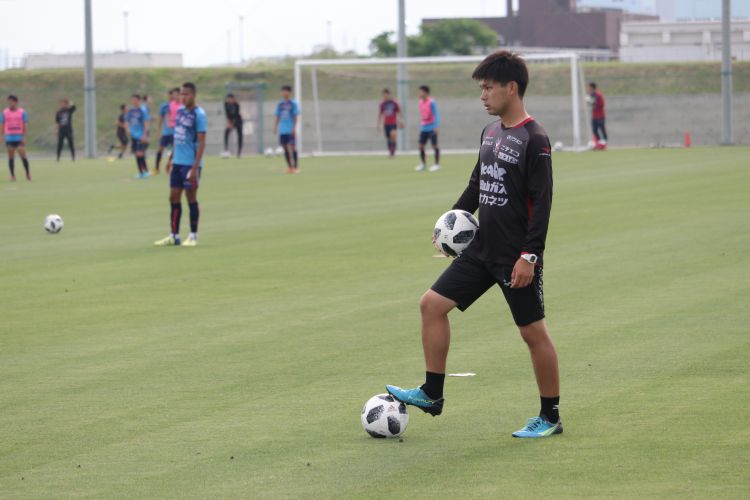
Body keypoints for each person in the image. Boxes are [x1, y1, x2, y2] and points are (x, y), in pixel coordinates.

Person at [386, 50, 561, 439]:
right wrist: (448, 222)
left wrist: (528, 256)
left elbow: (542, 204)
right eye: (481, 89)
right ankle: (432, 393)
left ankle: (550, 416)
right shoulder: (491, 133)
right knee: (432, 305)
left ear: (510, 88)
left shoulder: (535, 139)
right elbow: (476, 187)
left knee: (532, 333)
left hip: (515, 256)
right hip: (480, 249)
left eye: (488, 88)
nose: (482, 96)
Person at [154, 82, 207, 248]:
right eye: (181, 94)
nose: (183, 97)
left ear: (194, 95)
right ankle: (174, 236)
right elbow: (178, 136)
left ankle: (193, 235)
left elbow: (202, 143)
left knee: (191, 197)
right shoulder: (180, 112)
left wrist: (195, 168)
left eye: (186, 94)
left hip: (190, 164)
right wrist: (171, 159)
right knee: (173, 197)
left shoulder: (199, 115)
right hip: (178, 162)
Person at [0, 95, 31, 181]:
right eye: (9, 102)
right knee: (11, 157)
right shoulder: (4, 113)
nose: (10, 103)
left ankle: (28, 174)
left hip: (19, 137)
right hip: (9, 138)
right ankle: (12, 176)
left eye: (11, 102)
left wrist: (23, 137)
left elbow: (24, 125)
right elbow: (2, 125)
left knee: (23, 156)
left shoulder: (22, 112)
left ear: (16, 102)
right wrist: (1, 136)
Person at [273, 85, 300, 173]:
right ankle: (289, 167)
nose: (284, 93)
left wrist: (294, 128)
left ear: (289, 92)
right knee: (284, 148)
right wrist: (275, 127)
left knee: (292, 147)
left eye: (286, 91)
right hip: (283, 130)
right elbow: (278, 116)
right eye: (283, 91)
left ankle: (295, 167)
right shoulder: (280, 104)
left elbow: (296, 116)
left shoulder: (293, 104)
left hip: (290, 129)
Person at [155, 88, 181, 174]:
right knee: (160, 149)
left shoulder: (180, 106)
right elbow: (160, 118)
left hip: (175, 132)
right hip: (166, 132)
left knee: (174, 150)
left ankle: (169, 165)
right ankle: (157, 167)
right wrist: (158, 131)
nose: (173, 96)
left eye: (175, 94)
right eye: (172, 95)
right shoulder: (164, 106)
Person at [415, 85, 440, 172]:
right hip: (424, 127)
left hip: (432, 127)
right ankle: (423, 164)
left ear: (425, 92)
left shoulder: (432, 102)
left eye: (421, 91)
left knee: (434, 145)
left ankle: (437, 164)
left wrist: (436, 126)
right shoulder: (420, 102)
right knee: (421, 146)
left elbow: (436, 114)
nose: (419, 93)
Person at [126, 94, 151, 178]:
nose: (133, 101)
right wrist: (128, 129)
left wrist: (145, 135)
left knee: (139, 153)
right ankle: (143, 171)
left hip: (141, 135)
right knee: (138, 154)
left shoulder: (142, 110)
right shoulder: (131, 111)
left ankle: (144, 172)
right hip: (134, 136)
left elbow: (146, 123)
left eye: (135, 100)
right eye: (132, 100)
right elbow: (127, 120)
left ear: (139, 101)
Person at [377, 88, 402, 157]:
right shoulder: (382, 104)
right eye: (383, 95)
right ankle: (390, 151)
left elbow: (399, 112)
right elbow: (380, 114)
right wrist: (378, 124)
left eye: (386, 95)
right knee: (388, 138)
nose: (385, 97)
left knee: (393, 135)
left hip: (393, 122)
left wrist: (400, 121)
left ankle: (393, 152)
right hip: (386, 123)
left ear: (388, 95)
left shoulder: (394, 103)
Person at [588, 82, 607, 150]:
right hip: (594, 117)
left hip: (600, 116)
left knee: (602, 130)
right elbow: (592, 105)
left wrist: (594, 103)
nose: (588, 89)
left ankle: (604, 144)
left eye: (589, 88)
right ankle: (598, 144)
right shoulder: (591, 95)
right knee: (595, 130)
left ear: (593, 88)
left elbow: (602, 104)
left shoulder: (598, 95)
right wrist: (590, 102)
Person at [223, 94, 243, 158]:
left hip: (238, 121)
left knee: (239, 135)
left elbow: (236, 115)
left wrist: (232, 124)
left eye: (231, 99)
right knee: (226, 132)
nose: (229, 100)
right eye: (228, 99)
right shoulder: (226, 104)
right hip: (231, 121)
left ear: (233, 99)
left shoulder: (236, 105)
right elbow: (227, 114)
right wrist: (229, 123)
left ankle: (239, 152)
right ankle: (226, 150)